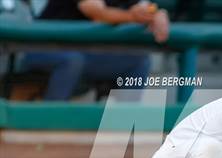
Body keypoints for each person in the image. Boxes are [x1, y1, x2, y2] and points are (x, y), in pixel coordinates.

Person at [22, 0, 169, 100]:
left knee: (138, 62)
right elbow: (96, 13)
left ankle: (124, 126)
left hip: (82, 54)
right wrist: (132, 16)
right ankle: (48, 121)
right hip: (42, 48)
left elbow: (145, 6)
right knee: (72, 60)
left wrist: (158, 14)